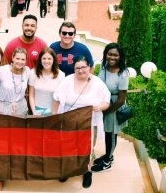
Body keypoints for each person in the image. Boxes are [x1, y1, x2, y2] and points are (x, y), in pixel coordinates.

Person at [52, 56, 110, 189]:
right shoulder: (67, 81)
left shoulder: (98, 83)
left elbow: (106, 102)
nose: (80, 70)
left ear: (89, 67)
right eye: (77, 68)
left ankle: (86, 171)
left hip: (89, 123)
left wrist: (100, 107)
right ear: (74, 69)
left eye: (83, 67)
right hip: (68, 121)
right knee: (67, 147)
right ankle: (67, 170)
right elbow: (56, 98)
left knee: (87, 148)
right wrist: (55, 117)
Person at [0, 48, 31, 191]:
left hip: (21, 108)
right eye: (17, 58)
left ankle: (14, 170)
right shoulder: (1, 71)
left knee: (17, 142)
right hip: (3, 109)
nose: (20, 62)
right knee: (1, 144)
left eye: (23, 59)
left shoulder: (28, 71)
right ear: (12, 58)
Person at [91, 43, 129, 173]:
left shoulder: (123, 73)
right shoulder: (103, 66)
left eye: (115, 55)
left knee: (111, 135)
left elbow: (121, 100)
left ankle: (107, 162)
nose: (112, 57)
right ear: (105, 54)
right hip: (104, 103)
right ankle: (108, 155)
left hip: (114, 107)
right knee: (107, 134)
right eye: (110, 54)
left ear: (120, 56)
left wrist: (106, 112)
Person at [28, 47, 65, 115]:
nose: (46, 61)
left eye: (49, 59)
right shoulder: (33, 73)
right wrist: (34, 112)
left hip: (53, 111)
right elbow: (31, 95)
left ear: (53, 60)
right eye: (44, 58)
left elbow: (60, 98)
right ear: (40, 60)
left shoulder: (61, 75)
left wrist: (54, 114)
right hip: (37, 110)